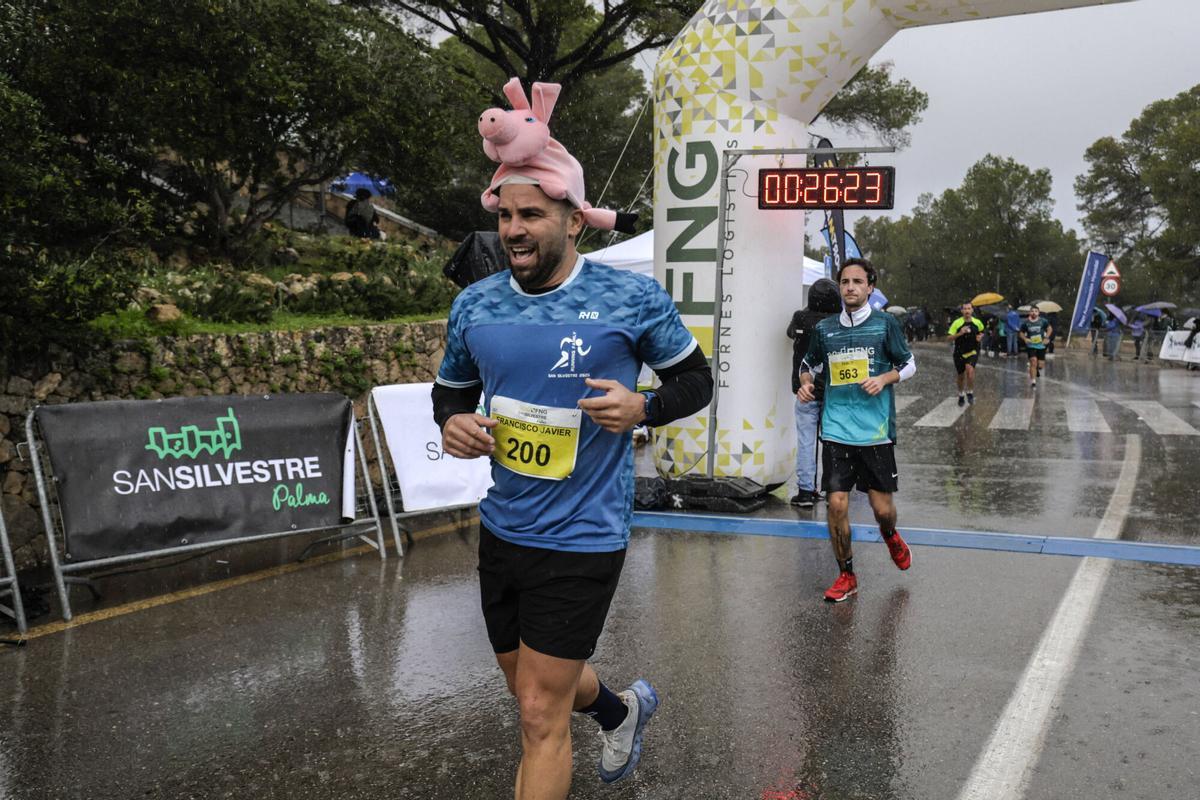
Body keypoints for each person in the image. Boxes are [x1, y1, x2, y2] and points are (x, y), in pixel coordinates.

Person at [433, 78, 712, 800]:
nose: (515, 230)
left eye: (532, 214)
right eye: (506, 214)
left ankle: (605, 722)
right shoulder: (475, 305)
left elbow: (696, 382)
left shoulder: (632, 299)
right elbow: (452, 389)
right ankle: (624, 711)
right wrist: (451, 422)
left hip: (585, 532)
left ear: (574, 219)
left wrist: (642, 406)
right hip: (505, 526)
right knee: (528, 684)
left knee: (537, 712)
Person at [798, 257, 916, 603]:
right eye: (845, 282)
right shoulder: (826, 329)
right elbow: (808, 365)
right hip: (836, 430)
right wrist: (806, 384)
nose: (850, 287)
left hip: (875, 432)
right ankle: (846, 574)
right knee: (836, 505)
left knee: (882, 511)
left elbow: (909, 364)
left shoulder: (884, 325)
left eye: (857, 282)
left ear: (870, 287)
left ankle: (891, 535)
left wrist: (883, 378)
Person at [786, 278, 841, 507]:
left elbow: (791, 333)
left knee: (806, 442)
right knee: (832, 443)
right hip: (832, 390)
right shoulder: (838, 322)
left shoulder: (801, 317)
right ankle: (832, 491)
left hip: (804, 389)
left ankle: (806, 491)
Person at [948, 302, 984, 406]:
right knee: (961, 376)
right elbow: (949, 338)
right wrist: (960, 333)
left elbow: (982, 331)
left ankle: (970, 392)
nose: (967, 311)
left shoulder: (977, 322)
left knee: (970, 370)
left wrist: (980, 337)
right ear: (962, 311)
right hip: (959, 351)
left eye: (969, 309)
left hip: (973, 351)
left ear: (972, 310)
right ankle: (960, 394)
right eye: (965, 309)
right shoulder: (957, 323)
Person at [1019, 306, 1052, 387]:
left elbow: (1050, 329)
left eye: (1036, 311)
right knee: (1033, 361)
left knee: (1040, 365)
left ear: (1038, 313)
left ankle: (1037, 368)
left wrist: (1046, 337)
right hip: (1031, 345)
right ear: (1030, 312)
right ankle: (1033, 381)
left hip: (1041, 345)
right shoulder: (1026, 322)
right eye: (1032, 311)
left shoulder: (1043, 321)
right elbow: (1021, 333)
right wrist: (1025, 339)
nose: (1034, 312)